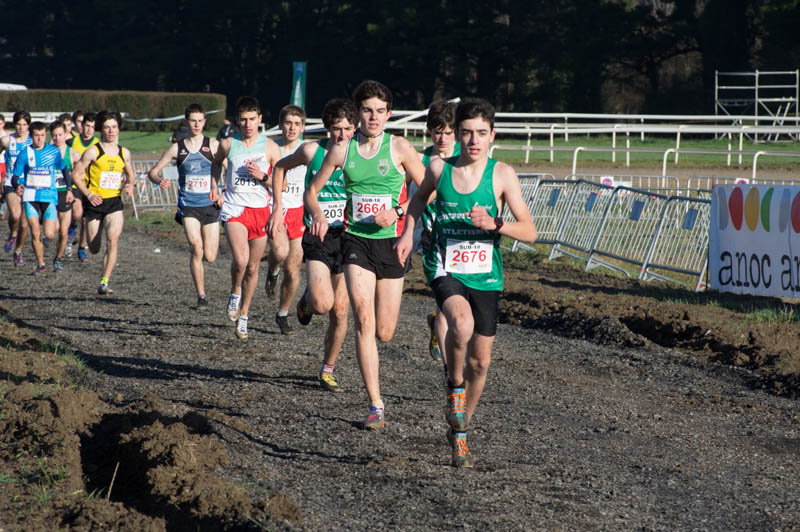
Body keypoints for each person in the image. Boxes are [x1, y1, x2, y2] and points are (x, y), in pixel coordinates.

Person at [395, 98, 537, 468]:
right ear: (457, 134)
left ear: (493, 135)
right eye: (467, 132)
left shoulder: (502, 174)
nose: (474, 140)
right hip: (445, 265)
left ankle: (461, 431)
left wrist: (496, 224)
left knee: (482, 362)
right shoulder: (439, 168)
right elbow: (416, 201)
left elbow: (531, 231)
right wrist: (408, 234)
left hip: (486, 274)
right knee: (460, 323)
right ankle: (454, 385)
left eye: (481, 133)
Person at [304, 80, 425, 429]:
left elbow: (427, 191)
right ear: (358, 113)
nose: (373, 117)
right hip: (355, 242)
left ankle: (375, 399)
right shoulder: (342, 151)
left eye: (380, 111)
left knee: (384, 331)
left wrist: (398, 212)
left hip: (391, 244)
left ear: (389, 114)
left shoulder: (399, 148)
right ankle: (376, 404)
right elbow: (312, 192)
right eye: (368, 111)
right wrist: (318, 214)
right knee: (363, 318)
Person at [270, 98, 356, 391]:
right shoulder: (312, 150)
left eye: (347, 129)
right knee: (322, 304)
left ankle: (327, 369)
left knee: (340, 311)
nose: (342, 135)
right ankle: (307, 299)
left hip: (349, 237)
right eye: (336, 128)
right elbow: (280, 167)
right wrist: (278, 208)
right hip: (318, 235)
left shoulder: (360, 156)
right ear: (327, 127)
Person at [212, 96, 281, 340]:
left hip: (260, 211)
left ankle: (244, 316)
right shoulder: (228, 144)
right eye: (243, 119)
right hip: (235, 208)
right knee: (241, 261)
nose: (248, 124)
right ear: (237, 120)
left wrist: (263, 176)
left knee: (253, 267)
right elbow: (216, 164)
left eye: (252, 119)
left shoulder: (270, 147)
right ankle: (234, 292)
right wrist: (214, 186)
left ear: (259, 119)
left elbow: (280, 183)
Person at [148, 103, 221, 309]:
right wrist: (159, 180)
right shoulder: (176, 148)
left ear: (204, 122)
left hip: (210, 206)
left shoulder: (213, 145)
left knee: (210, 256)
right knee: (196, 247)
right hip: (188, 206)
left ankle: (200, 264)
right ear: (186, 122)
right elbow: (153, 172)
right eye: (193, 121)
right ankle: (201, 296)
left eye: (200, 121)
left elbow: (229, 169)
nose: (196, 124)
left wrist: (222, 191)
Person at [71, 109, 135, 295]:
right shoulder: (93, 152)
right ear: (101, 129)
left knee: (113, 240)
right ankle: (87, 238)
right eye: (107, 127)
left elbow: (131, 175)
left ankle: (104, 281)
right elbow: (76, 175)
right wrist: (89, 194)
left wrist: (129, 185)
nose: (111, 131)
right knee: (94, 247)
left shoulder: (124, 153)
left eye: (114, 127)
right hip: (94, 203)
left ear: (119, 128)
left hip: (114, 202)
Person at [417, 100, 460, 364]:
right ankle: (449, 369)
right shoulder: (420, 160)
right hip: (432, 236)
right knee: (446, 296)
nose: (442, 138)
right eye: (437, 132)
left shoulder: (466, 156)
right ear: (429, 131)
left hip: (463, 237)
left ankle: (437, 323)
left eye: (448, 132)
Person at [265, 104, 308, 334]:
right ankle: (272, 270)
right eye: (288, 123)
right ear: (281, 125)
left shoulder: (307, 150)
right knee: (280, 252)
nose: (292, 128)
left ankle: (282, 314)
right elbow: (262, 177)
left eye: (296, 124)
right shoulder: (271, 149)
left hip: (299, 212)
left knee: (293, 269)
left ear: (303, 127)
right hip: (275, 209)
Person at [11, 121, 73, 275]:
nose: (40, 139)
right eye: (36, 136)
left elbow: (64, 169)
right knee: (35, 232)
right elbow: (15, 177)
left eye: (43, 135)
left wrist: (69, 188)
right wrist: (17, 185)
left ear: (46, 135)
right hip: (30, 196)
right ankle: (41, 264)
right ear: (31, 136)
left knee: (50, 234)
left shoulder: (53, 152)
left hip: (49, 196)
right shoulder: (25, 154)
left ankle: (47, 256)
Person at [0, 111, 32, 265]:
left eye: (24, 124)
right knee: (15, 215)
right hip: (10, 183)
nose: (21, 128)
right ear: (14, 125)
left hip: (29, 185)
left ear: (28, 126)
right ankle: (13, 233)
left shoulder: (33, 142)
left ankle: (18, 251)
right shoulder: (7, 140)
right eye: (19, 124)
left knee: (25, 224)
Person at [67, 111, 99, 262]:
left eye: (92, 127)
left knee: (86, 220)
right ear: (81, 125)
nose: (89, 130)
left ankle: (81, 248)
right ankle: (73, 227)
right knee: (77, 214)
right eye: (87, 126)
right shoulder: (71, 142)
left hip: (91, 185)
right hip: (76, 184)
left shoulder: (98, 144)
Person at [50, 120, 80, 271]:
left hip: (65, 193)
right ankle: (47, 239)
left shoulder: (73, 153)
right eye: (54, 135)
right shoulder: (46, 152)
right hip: (49, 193)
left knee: (63, 231)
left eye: (60, 135)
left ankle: (58, 258)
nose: (57, 138)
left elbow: (82, 173)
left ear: (65, 134)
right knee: (53, 230)